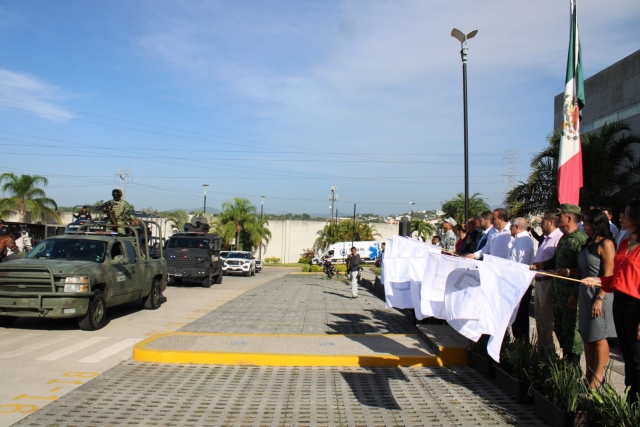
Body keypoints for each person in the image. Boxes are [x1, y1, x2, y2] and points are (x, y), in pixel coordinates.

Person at [583, 199, 640, 403]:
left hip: (636, 306)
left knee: (636, 355)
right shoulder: (624, 243)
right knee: (627, 354)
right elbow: (616, 276)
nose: (621, 217)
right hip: (621, 303)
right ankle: (631, 400)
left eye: (626, 213)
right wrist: (598, 280)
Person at [533, 203, 588, 365]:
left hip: (570, 295)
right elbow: (557, 261)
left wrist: (575, 294)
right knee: (560, 329)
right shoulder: (564, 238)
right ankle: (565, 362)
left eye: (561, 216)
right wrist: (544, 264)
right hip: (558, 293)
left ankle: (573, 366)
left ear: (569, 218)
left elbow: (583, 270)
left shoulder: (580, 239)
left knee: (572, 334)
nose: (558, 220)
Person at [578, 209, 616, 389]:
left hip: (601, 294)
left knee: (599, 337)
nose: (584, 226)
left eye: (587, 223)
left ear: (597, 224)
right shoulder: (589, 243)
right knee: (588, 336)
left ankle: (597, 379)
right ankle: (589, 375)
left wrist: (600, 298)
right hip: (585, 294)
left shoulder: (606, 244)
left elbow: (609, 274)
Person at [532, 213, 564, 350]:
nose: (541, 223)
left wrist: (544, 265)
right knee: (539, 318)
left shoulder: (558, 237)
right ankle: (542, 348)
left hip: (548, 281)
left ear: (551, 222)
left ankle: (551, 350)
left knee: (547, 319)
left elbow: (557, 261)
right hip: (539, 281)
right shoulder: (545, 238)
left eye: (543, 221)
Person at [509, 217, 536, 343]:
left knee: (521, 316)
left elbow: (522, 264)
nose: (510, 229)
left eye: (511, 227)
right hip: (515, 283)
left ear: (517, 227)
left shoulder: (525, 240)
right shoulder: (518, 240)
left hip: (520, 284)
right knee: (516, 316)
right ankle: (518, 341)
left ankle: (522, 344)